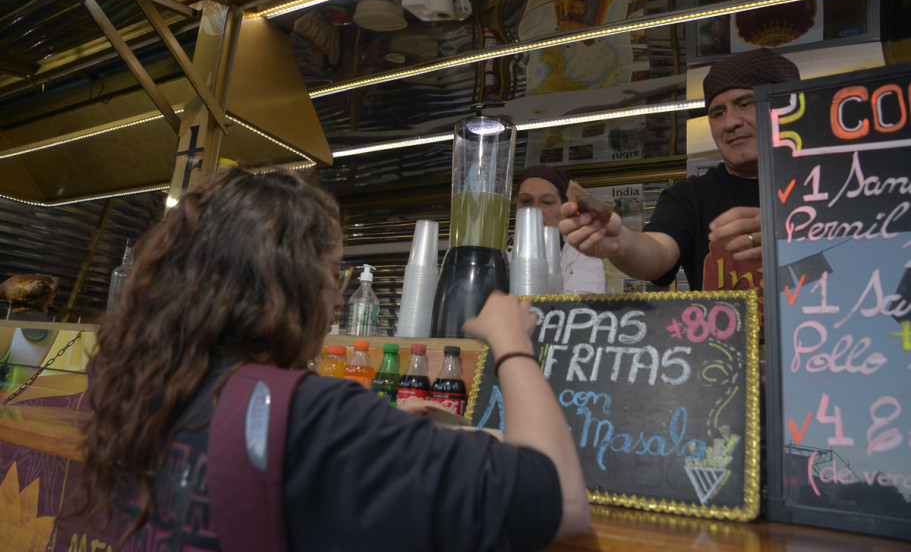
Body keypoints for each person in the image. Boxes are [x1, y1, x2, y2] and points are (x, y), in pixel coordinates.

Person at [69, 167, 590, 551]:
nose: (339, 298)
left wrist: (378, 435)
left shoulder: (141, 388)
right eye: (332, 270)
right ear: (287, 282)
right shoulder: (315, 416)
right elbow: (562, 502)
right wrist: (512, 343)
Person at [558, 47, 800, 293]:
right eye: (718, 113)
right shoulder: (691, 196)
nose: (730, 122)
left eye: (745, 104)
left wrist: (788, 233)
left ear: (784, 107)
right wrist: (620, 241)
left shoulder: (833, 182)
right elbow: (658, 252)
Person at [510, 164, 606, 294]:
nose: (535, 210)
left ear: (565, 209)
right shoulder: (500, 254)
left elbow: (580, 309)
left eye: (547, 202)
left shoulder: (582, 256)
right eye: (526, 201)